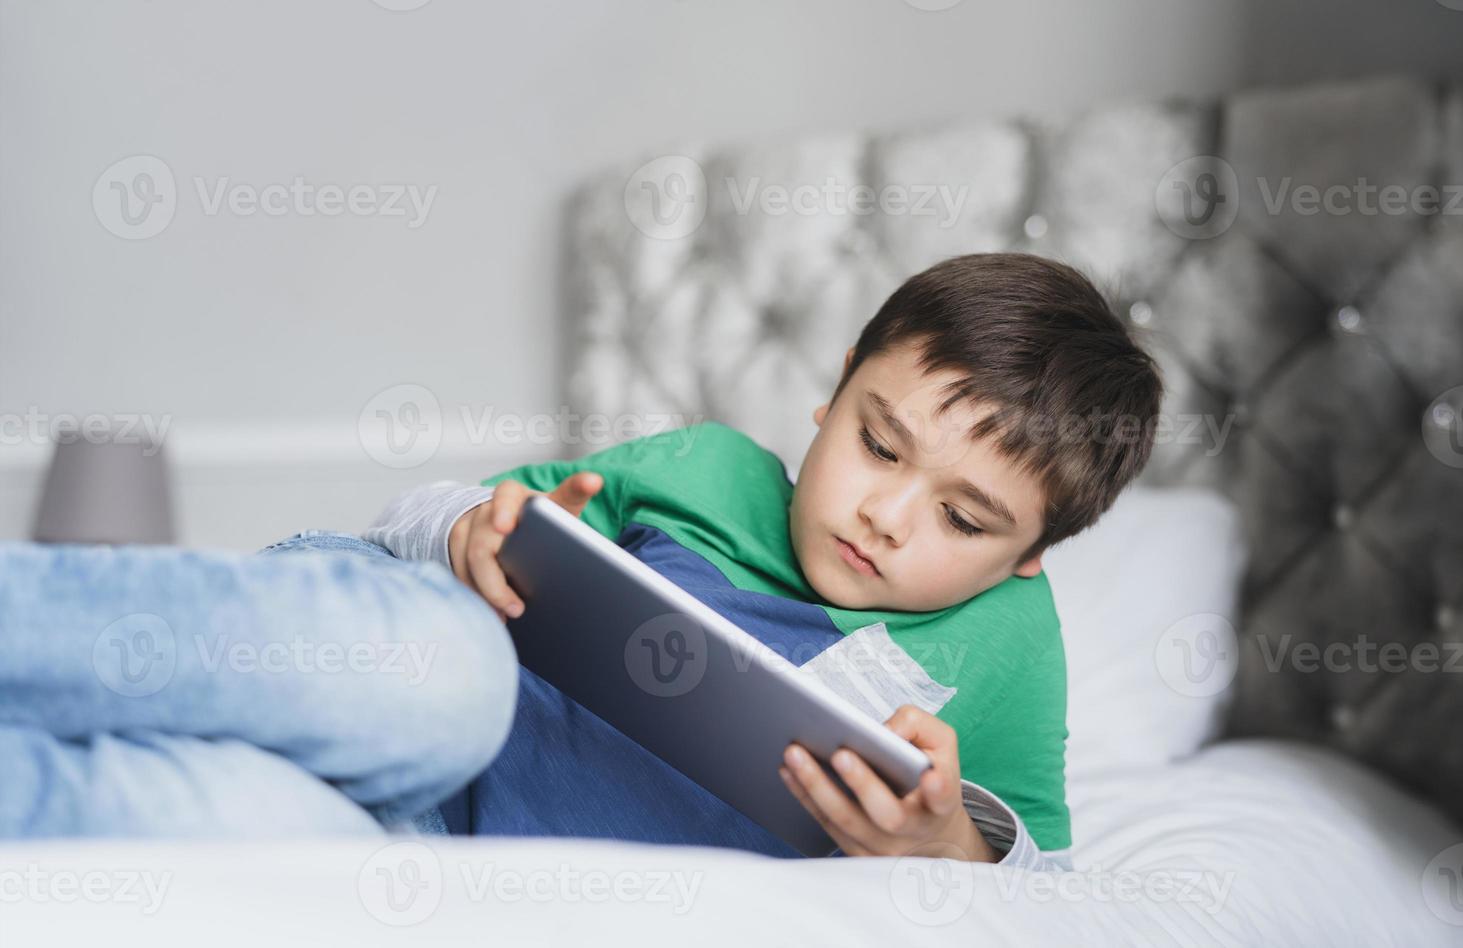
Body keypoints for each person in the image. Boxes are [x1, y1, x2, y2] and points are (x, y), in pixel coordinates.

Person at [2, 253, 1161, 870]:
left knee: (239, 826)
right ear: (835, 382)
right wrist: (469, 529)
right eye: (875, 441)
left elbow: (1045, 881)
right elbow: (445, 513)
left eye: (962, 519)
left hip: (417, 837)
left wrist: (953, 845)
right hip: (394, 667)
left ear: (1030, 558)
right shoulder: (707, 468)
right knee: (450, 683)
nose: (889, 514)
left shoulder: (1007, 649)